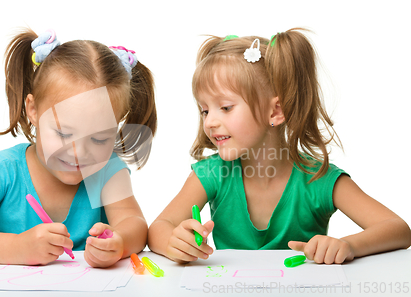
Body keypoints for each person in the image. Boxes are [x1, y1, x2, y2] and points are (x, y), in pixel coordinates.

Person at [148, 28, 411, 264]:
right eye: (205, 110)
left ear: (276, 111)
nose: (210, 122)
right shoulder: (212, 173)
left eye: (225, 107)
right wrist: (174, 242)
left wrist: (348, 245)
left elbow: (397, 229)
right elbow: (159, 227)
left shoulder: (319, 179)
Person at [0, 28, 157, 267]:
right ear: (33, 110)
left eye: (99, 139)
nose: (78, 153)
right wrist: (16, 248)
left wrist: (119, 242)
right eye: (63, 133)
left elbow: (135, 224)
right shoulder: (2, 171)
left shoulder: (107, 171)